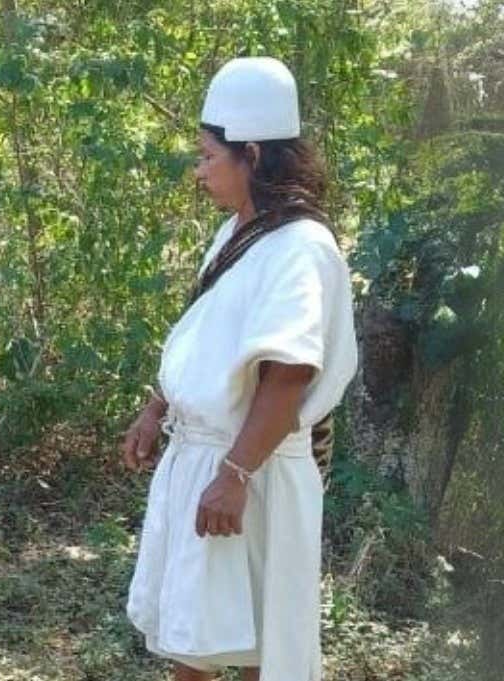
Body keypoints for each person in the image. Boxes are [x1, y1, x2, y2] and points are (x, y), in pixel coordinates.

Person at [119, 57, 358, 681]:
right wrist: (156, 408)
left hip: (253, 473)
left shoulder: (301, 246)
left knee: (259, 643)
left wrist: (235, 474)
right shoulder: (238, 232)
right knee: (195, 639)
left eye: (207, 157)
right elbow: (207, 335)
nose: (199, 171)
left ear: (250, 153)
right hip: (209, 461)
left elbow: (288, 373)